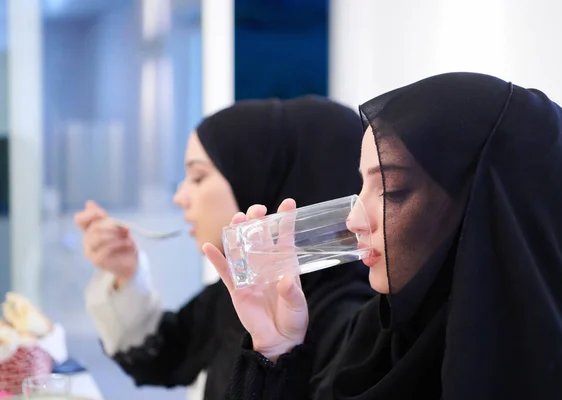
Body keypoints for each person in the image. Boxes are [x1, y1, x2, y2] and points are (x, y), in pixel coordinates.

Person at [204, 72, 562, 399]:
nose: (355, 219)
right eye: (361, 188)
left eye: (390, 189)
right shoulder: (374, 344)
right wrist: (275, 354)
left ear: (481, 209)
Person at [74, 96, 375, 400]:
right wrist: (126, 272)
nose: (180, 196)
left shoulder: (355, 331)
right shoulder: (239, 293)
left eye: (198, 176)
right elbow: (160, 357)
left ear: (259, 181)